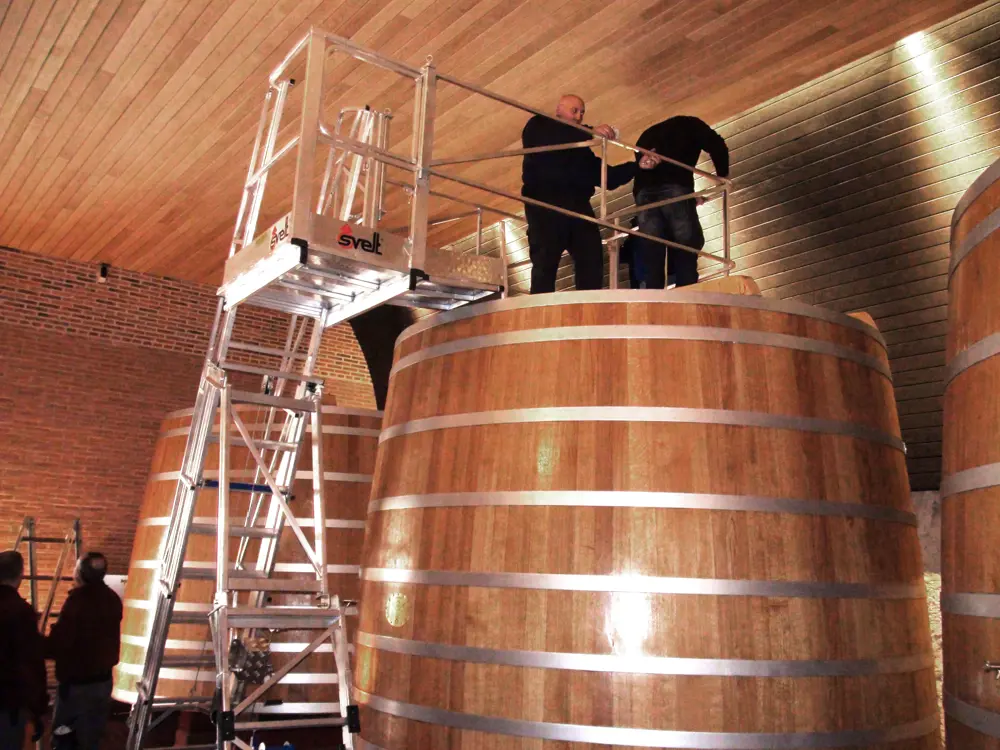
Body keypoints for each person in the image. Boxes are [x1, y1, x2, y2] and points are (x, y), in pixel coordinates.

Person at [521, 94, 650, 294]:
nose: (579, 116)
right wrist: (590, 131)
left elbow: (607, 177)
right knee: (545, 261)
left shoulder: (581, 152)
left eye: (582, 113)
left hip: (577, 206)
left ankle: (590, 303)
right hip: (545, 204)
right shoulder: (539, 125)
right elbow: (556, 135)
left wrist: (637, 166)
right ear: (559, 109)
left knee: (591, 258)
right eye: (574, 111)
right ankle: (539, 305)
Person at [633, 115, 730, 288]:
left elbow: (644, 168)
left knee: (653, 250)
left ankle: (654, 296)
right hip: (675, 188)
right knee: (687, 245)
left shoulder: (646, 134)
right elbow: (717, 144)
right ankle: (687, 291)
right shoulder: (691, 125)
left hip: (644, 193)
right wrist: (723, 176)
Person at [45, 552, 123, 750]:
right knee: (91, 739)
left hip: (77, 684)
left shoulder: (77, 601)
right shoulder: (112, 598)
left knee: (64, 737)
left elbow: (61, 642)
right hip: (103, 681)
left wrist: (40, 645)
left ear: (79, 573)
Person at [0, 550, 47, 750]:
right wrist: (38, 709)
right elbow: (29, 663)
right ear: (20, 574)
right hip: (8, 703)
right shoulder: (21, 612)